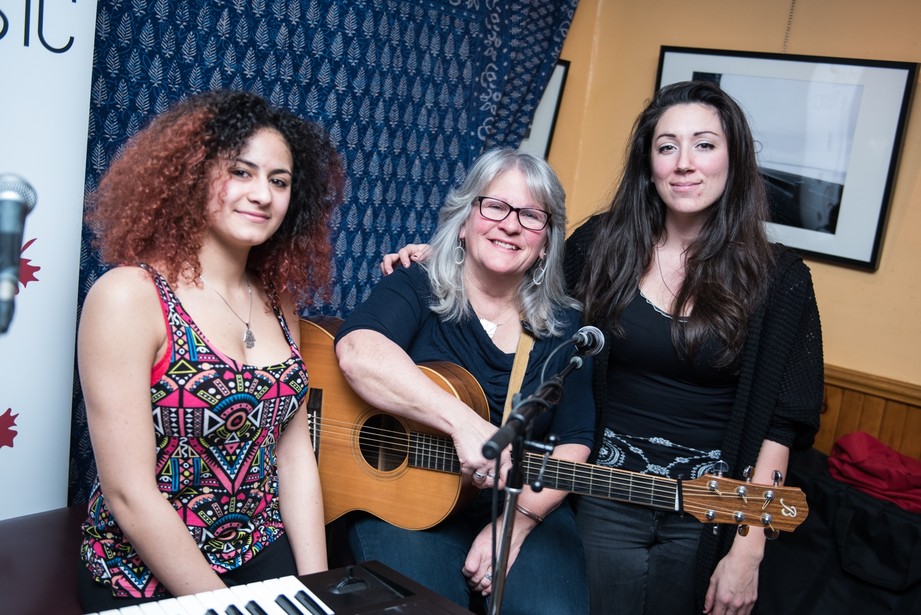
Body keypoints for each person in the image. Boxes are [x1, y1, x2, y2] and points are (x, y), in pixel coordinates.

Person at [384, 81, 824, 615]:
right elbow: (526, 281)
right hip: (599, 493)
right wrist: (443, 258)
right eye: (667, 147)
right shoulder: (600, 245)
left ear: (734, 159)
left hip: (710, 508)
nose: (684, 163)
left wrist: (748, 550)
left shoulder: (781, 280)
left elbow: (782, 426)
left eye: (705, 145)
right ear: (648, 163)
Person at [77, 90, 344, 610]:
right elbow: (130, 495)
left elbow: (293, 456)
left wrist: (316, 590)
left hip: (262, 554)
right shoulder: (128, 296)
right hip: (147, 575)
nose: (262, 194)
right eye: (241, 172)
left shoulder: (279, 301)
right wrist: (230, 608)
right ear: (193, 174)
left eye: (279, 181)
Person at [335, 148, 594, 614]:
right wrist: (465, 425)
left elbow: (574, 442)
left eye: (531, 216)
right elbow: (358, 352)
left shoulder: (566, 327)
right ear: (464, 219)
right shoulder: (416, 283)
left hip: (520, 502)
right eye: (495, 206)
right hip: (405, 498)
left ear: (546, 242)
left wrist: (513, 528)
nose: (510, 225)